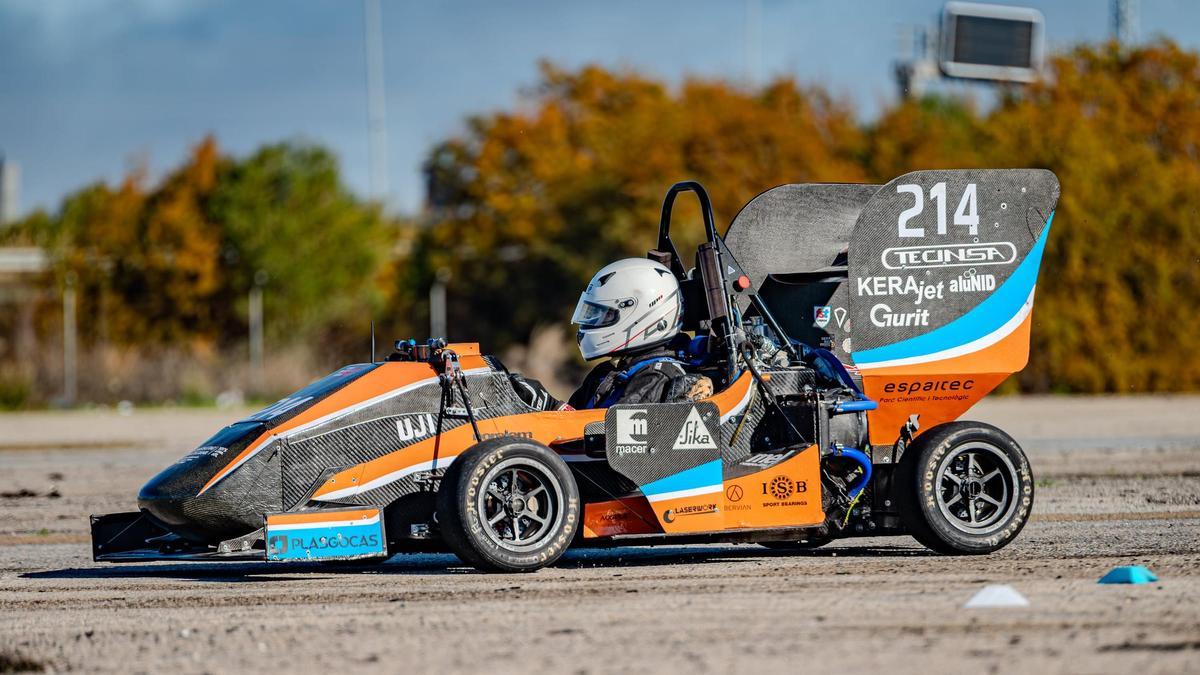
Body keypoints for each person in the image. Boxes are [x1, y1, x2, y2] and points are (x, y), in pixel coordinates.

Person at [508, 258, 712, 411]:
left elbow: (613, 442)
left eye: (605, 315)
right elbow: (573, 426)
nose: (594, 322)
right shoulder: (606, 372)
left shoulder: (658, 375)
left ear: (643, 313)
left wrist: (549, 405)